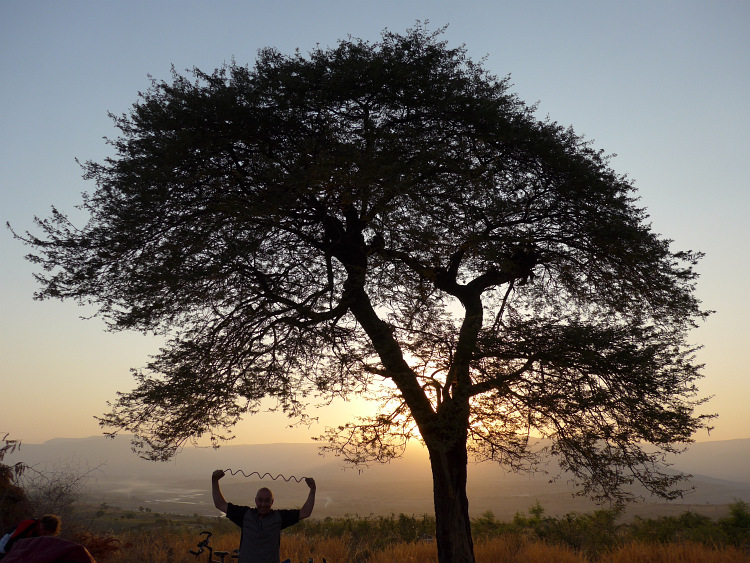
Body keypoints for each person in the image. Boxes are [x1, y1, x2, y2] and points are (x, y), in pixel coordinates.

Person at [211, 469, 315, 563]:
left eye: (267, 501)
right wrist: (214, 481)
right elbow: (220, 504)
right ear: (255, 501)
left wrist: (312, 490)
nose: (264, 504)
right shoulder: (245, 515)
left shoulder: (279, 517)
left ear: (272, 502)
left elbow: (305, 512)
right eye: (260, 500)